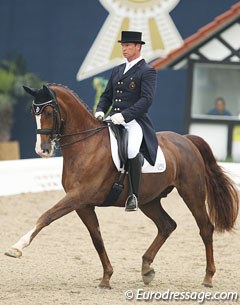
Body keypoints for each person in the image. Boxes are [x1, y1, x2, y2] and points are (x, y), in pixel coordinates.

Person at [95, 31, 158, 212]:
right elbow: (107, 95)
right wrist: (100, 110)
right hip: (113, 119)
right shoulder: (117, 70)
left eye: (128, 45)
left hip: (134, 122)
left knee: (131, 150)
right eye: (123, 45)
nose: (124, 49)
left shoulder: (147, 71)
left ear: (138, 47)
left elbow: (146, 100)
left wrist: (124, 116)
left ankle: (133, 196)